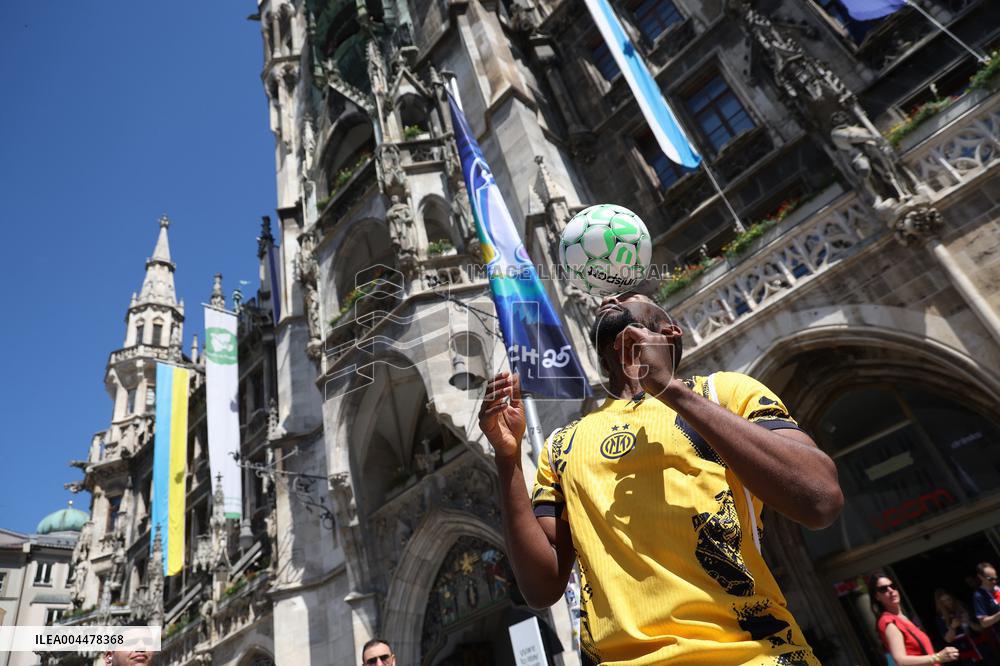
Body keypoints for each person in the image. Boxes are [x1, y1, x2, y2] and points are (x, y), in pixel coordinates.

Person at [479, 291, 845, 665]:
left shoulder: (723, 393)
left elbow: (820, 500)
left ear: (669, 333)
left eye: (630, 295)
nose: (609, 296)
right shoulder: (561, 444)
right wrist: (507, 459)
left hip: (753, 655)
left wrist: (669, 389)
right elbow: (541, 588)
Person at [869, 572, 959, 665]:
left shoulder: (902, 618)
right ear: (877, 597)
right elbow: (900, 661)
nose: (891, 590)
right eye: (883, 589)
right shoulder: (888, 621)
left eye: (892, 585)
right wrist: (938, 657)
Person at [933, 589, 985, 664]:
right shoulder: (940, 618)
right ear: (940, 604)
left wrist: (968, 622)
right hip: (965, 652)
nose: (948, 603)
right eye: (944, 601)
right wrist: (953, 627)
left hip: (981, 647)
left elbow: (981, 628)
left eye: (949, 599)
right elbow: (948, 639)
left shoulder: (964, 609)